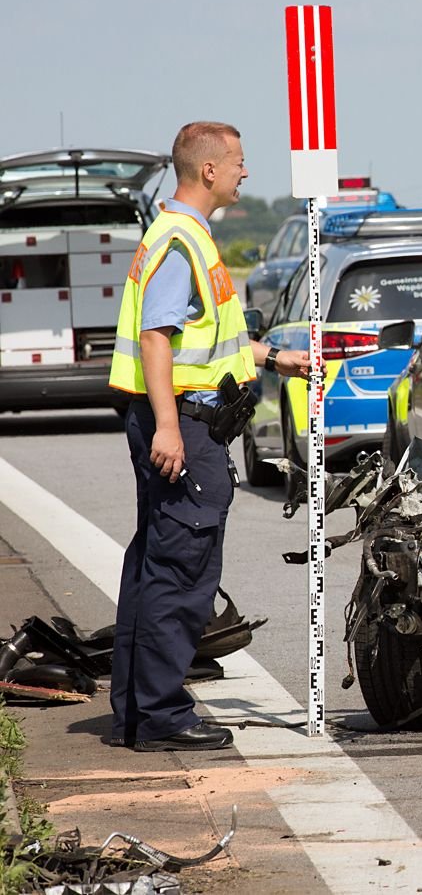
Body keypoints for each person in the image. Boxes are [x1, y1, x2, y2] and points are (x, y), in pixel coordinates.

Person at [107, 122, 309, 751]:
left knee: (153, 564)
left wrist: (275, 359)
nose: (246, 172)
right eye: (240, 162)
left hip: (179, 422)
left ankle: (136, 713)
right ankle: (163, 718)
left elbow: (202, 336)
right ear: (210, 171)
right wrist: (169, 425)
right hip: (184, 428)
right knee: (179, 571)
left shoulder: (180, 234)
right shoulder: (179, 240)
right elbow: (155, 338)